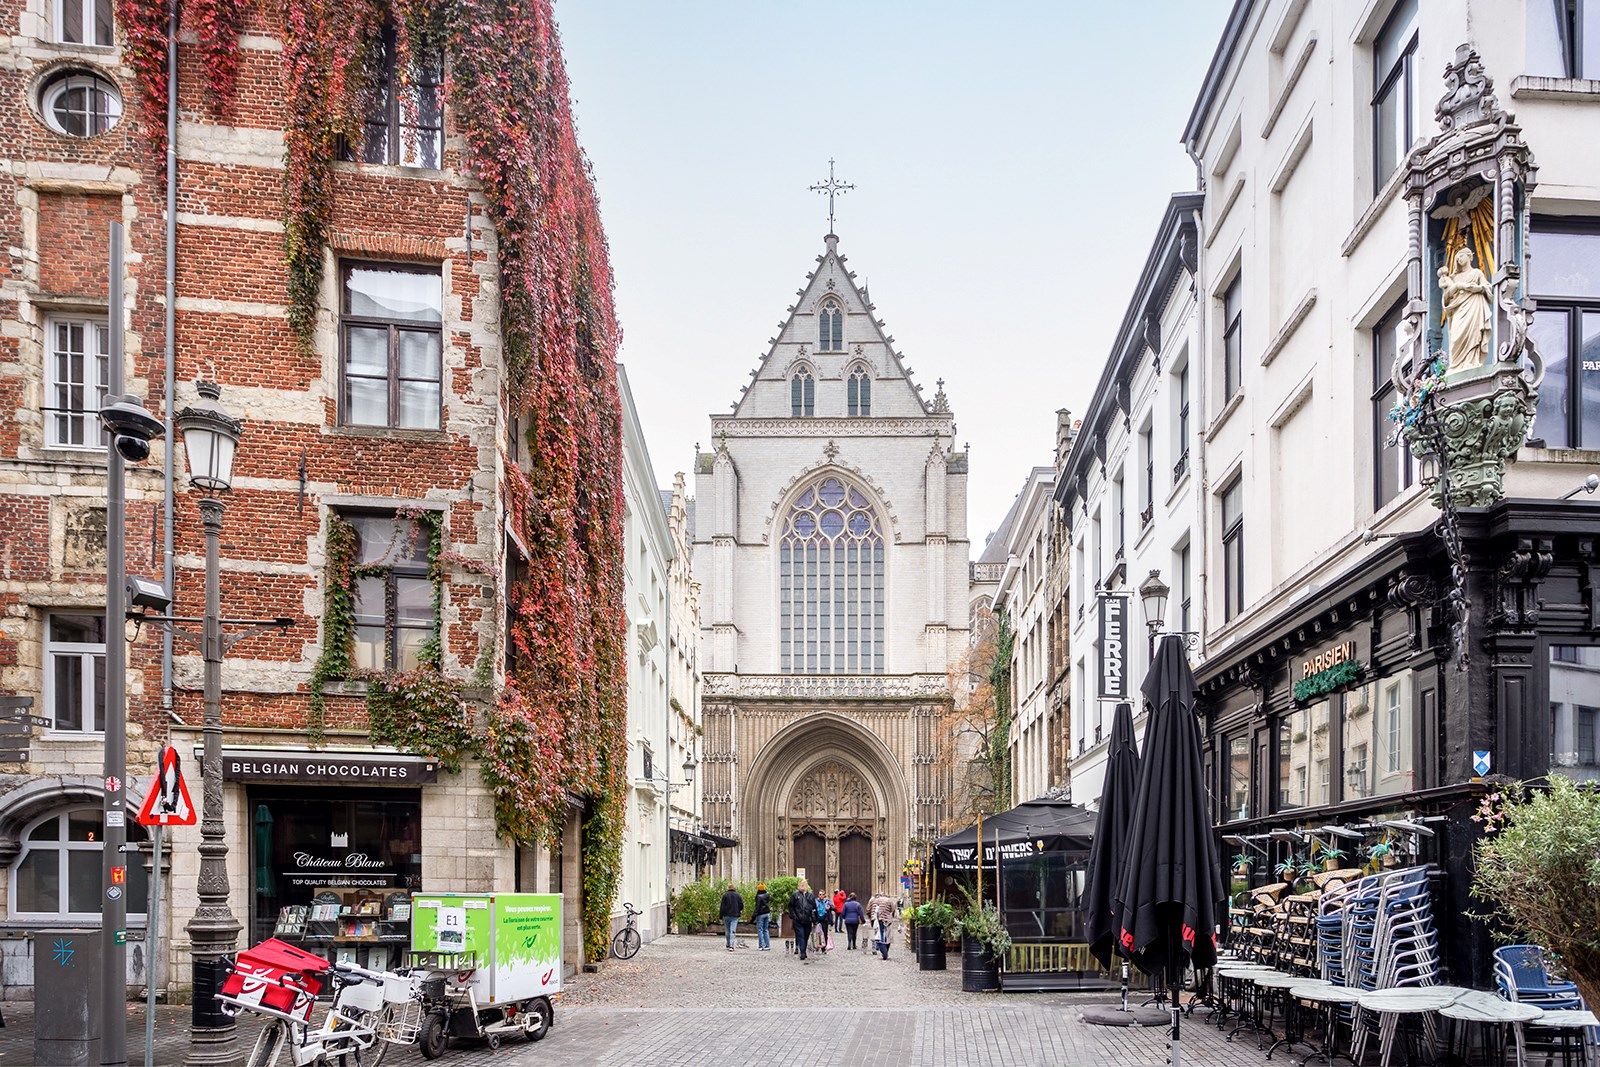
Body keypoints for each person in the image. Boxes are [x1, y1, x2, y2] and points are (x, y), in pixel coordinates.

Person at [789, 880, 817, 962]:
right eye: (801, 885)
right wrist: (794, 916)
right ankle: (802, 953)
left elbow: (814, 908)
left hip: (808, 920)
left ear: (807, 886)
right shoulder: (795, 895)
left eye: (804, 885)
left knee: (806, 936)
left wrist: (815, 919)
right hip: (798, 920)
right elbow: (791, 906)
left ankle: (803, 950)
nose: (802, 886)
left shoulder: (810, 895)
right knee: (800, 935)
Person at [866, 889, 896, 961]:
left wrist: (870, 916)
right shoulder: (889, 900)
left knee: (874, 932)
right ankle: (883, 946)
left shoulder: (874, 900)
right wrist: (891, 916)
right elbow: (893, 909)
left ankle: (875, 946)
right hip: (886, 919)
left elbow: (869, 908)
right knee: (885, 933)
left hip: (876, 918)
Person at [719, 883, 744, 952]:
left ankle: (728, 944)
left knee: (727, 930)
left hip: (726, 915)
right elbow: (741, 905)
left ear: (728, 888)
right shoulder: (738, 895)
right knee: (733, 930)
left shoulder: (725, 895)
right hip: (735, 915)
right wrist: (738, 910)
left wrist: (721, 916)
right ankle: (731, 946)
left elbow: (722, 906)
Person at [753, 883, 772, 951]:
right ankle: (767, 945)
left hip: (760, 914)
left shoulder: (759, 896)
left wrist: (753, 916)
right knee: (765, 930)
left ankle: (761, 946)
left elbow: (757, 907)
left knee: (760, 930)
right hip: (767, 913)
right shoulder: (767, 895)